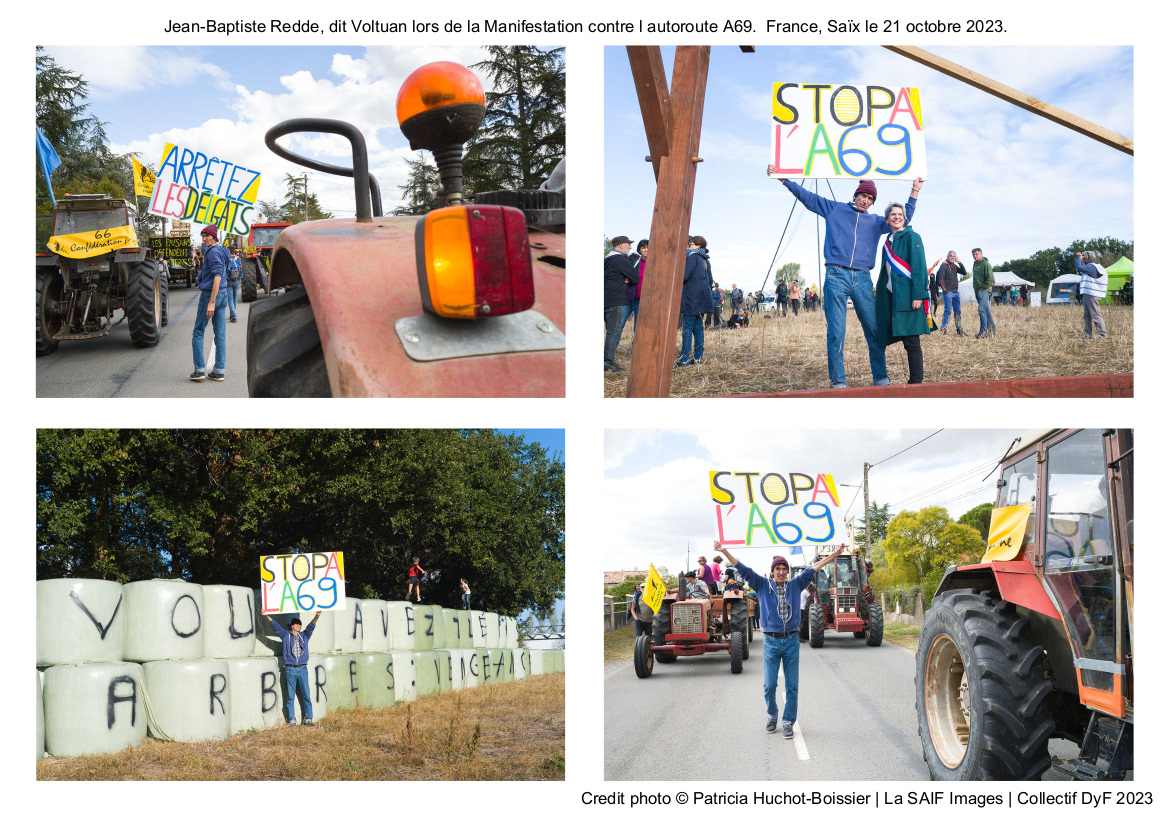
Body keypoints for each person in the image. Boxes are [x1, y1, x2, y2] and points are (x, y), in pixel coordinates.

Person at [769, 169, 925, 387]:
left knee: (874, 330)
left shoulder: (877, 222)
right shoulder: (835, 209)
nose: (866, 200)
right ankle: (838, 382)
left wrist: (914, 190)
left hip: (862, 278)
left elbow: (902, 215)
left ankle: (880, 378)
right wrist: (785, 179)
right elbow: (807, 197)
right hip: (836, 275)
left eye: (871, 198)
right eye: (864, 196)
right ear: (856, 195)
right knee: (836, 331)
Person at [715, 541, 846, 738]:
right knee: (769, 686)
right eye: (778, 568)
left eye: (784, 568)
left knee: (792, 686)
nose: (781, 572)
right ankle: (772, 715)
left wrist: (835, 554)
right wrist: (724, 550)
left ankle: (788, 721)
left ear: (787, 572)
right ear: (773, 571)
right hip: (771, 642)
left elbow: (814, 568)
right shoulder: (761, 584)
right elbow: (742, 568)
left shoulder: (795, 584)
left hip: (792, 641)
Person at [875, 202, 931, 384]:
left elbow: (919, 267)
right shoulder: (887, 243)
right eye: (893, 214)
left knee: (912, 342)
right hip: (892, 298)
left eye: (900, 214)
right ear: (887, 220)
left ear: (904, 218)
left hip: (909, 297)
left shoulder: (912, 236)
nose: (897, 217)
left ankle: (916, 383)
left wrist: (918, 295)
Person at [266, 610, 322, 726]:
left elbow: (311, 626)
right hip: (290, 669)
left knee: (306, 695)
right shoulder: (286, 635)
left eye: (300, 624)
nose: (299, 626)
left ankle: (308, 719)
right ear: (292, 626)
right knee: (290, 697)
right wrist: (267, 615)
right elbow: (276, 627)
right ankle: (292, 720)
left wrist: (316, 616)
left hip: (302, 669)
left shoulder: (304, 636)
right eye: (297, 624)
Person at [191, 226, 229, 381]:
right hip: (223, 294)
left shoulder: (212, 253)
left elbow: (217, 277)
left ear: (214, 237)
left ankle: (199, 370)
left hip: (211, 295)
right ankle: (219, 371)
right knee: (220, 334)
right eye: (203, 236)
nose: (204, 239)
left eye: (207, 236)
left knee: (198, 331)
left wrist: (211, 302)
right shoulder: (222, 250)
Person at [604, 236, 640, 372]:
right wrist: (629, 279)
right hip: (616, 299)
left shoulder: (607, 259)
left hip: (605, 298)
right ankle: (607, 363)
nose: (630, 247)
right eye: (628, 245)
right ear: (620, 246)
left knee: (609, 331)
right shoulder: (620, 259)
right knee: (613, 331)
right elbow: (635, 278)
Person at [676, 236, 713, 367]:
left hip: (691, 299)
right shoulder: (705, 260)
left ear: (698, 246)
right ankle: (698, 358)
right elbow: (710, 281)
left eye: (690, 244)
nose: (688, 246)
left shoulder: (692, 257)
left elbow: (684, 276)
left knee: (687, 328)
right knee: (698, 329)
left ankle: (684, 359)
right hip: (701, 300)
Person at [1075, 251, 1109, 339]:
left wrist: (1078, 258)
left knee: (1095, 314)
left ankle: (1103, 335)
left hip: (1092, 294)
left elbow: (1079, 267)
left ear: (1087, 258)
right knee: (1087, 315)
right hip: (1088, 294)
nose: (1082, 258)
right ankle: (1088, 335)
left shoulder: (1091, 266)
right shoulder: (1091, 266)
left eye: (1083, 257)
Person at [935, 250, 966, 336]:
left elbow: (964, 272)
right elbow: (940, 279)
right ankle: (943, 329)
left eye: (954, 256)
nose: (952, 257)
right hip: (948, 292)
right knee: (948, 311)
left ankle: (959, 329)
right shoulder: (944, 265)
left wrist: (959, 262)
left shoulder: (954, 266)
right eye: (951, 256)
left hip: (956, 292)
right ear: (948, 256)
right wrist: (945, 291)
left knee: (957, 311)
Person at [621, 239, 648, 335]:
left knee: (637, 328)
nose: (646, 250)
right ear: (639, 250)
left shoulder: (654, 265)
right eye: (643, 248)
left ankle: (635, 350)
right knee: (619, 325)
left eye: (648, 247)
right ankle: (610, 349)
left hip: (641, 301)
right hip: (628, 299)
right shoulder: (635, 262)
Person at [971, 247, 996, 338]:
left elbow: (991, 278)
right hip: (977, 290)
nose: (975, 256)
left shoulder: (986, 264)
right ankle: (992, 330)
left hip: (984, 290)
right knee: (985, 310)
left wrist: (983, 287)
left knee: (981, 309)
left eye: (977, 254)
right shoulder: (975, 264)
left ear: (981, 254)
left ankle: (983, 332)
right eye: (973, 254)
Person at [226, 247, 243, 323]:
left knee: (230, 299)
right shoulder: (238, 258)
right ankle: (232, 315)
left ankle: (234, 316)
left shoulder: (227, 258)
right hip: (237, 280)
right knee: (234, 298)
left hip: (229, 281)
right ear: (235, 251)